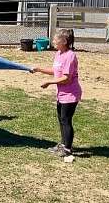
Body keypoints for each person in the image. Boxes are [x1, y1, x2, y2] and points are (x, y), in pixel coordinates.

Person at [32, 29, 82, 157]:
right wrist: (39, 69)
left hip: (71, 94)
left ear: (64, 41)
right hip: (61, 94)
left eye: (56, 40)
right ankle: (63, 144)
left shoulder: (70, 56)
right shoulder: (59, 54)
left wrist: (49, 82)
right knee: (61, 120)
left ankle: (67, 149)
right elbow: (56, 71)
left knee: (66, 120)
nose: (53, 41)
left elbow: (66, 78)